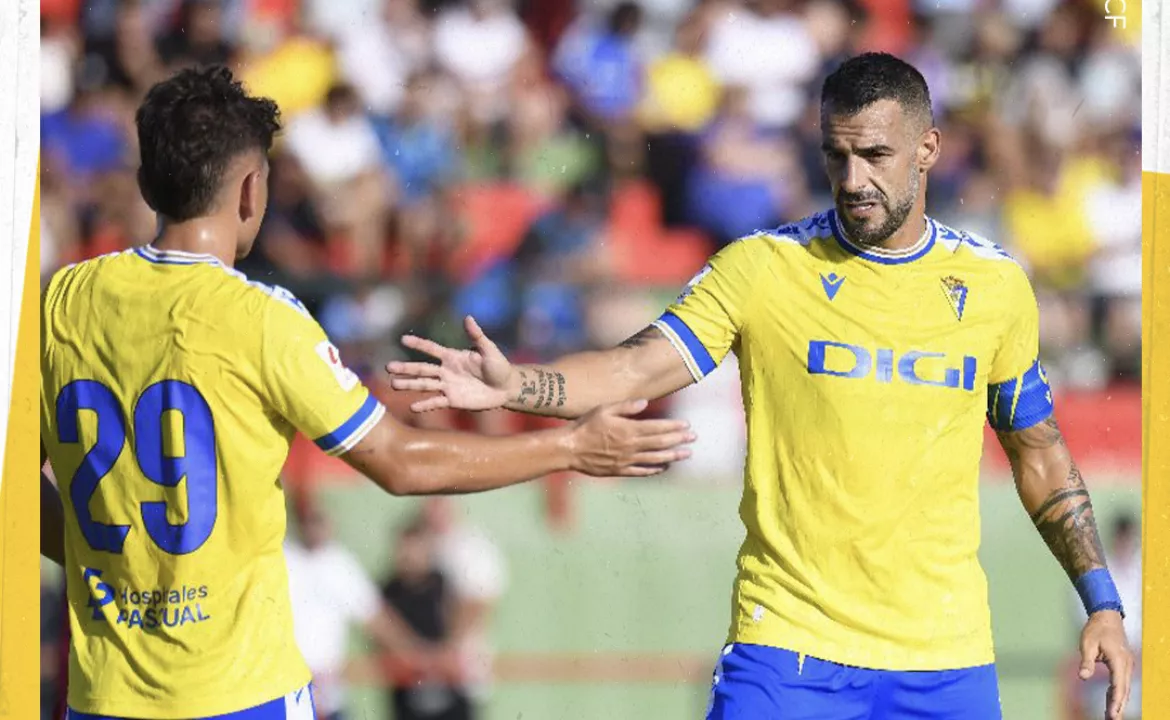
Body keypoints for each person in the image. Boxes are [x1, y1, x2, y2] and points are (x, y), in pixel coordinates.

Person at [387, 52, 1135, 720]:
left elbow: (1038, 453)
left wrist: (1101, 601)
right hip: (789, 653)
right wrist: (516, 383)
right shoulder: (763, 268)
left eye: (876, 155)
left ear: (928, 148)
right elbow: (636, 367)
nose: (853, 180)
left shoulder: (996, 288)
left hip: (947, 662)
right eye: (836, 156)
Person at [38, 65, 695, 720]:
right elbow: (400, 462)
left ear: (148, 182)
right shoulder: (261, 317)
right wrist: (570, 446)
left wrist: (110, 556)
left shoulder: (60, 301)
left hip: (104, 702)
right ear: (249, 192)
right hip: (239, 696)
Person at [284, 496, 427, 720]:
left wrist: (420, 657)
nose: (313, 526)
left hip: (328, 697)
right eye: (307, 519)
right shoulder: (282, 558)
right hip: (286, 695)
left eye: (318, 519)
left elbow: (375, 618)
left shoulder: (340, 564)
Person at [380, 517, 472, 720]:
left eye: (416, 548)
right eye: (405, 548)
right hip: (407, 693)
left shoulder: (444, 584)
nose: (410, 555)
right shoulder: (388, 590)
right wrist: (416, 656)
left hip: (450, 691)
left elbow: (460, 624)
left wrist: (442, 656)